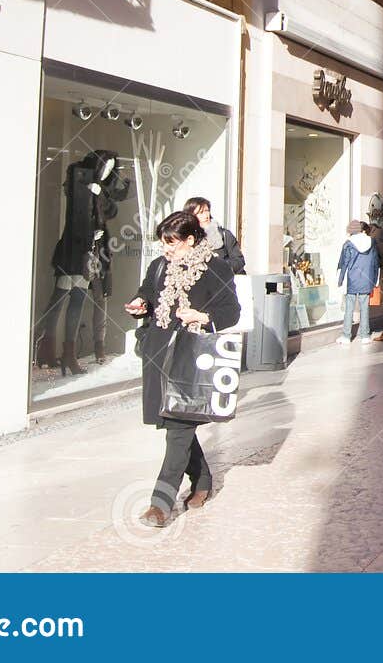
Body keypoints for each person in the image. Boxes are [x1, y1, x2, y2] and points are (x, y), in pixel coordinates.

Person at [126, 210, 241, 528]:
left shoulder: (216, 268)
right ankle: (203, 480)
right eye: (163, 243)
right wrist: (140, 305)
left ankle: (160, 505)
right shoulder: (158, 266)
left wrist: (201, 317)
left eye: (172, 243)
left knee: (178, 431)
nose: (166, 249)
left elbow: (231, 312)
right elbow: (147, 293)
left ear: (190, 240)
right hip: (159, 355)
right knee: (174, 424)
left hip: (192, 357)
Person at [335, 220, 381, 344]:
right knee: (364, 308)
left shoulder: (348, 243)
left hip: (352, 279)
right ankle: (365, 335)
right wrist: (375, 279)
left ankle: (346, 336)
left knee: (349, 308)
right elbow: (375, 262)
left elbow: (343, 263)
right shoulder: (372, 242)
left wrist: (340, 280)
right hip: (366, 279)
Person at [183, 196, 246, 275]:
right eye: (201, 213)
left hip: (224, 279)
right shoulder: (185, 239)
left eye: (207, 211)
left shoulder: (224, 235)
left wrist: (219, 266)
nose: (206, 216)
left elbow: (239, 262)